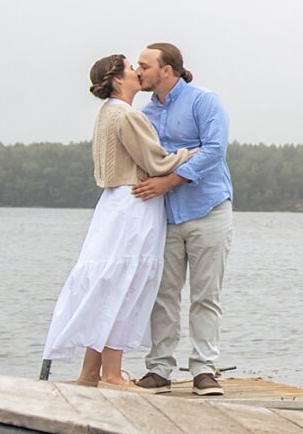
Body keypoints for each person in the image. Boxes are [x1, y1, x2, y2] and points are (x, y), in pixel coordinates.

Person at [42, 54, 192, 389]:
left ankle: (89, 374)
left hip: (112, 205)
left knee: (109, 282)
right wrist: (195, 154)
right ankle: (111, 374)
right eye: (130, 68)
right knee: (125, 283)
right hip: (134, 206)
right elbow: (157, 162)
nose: (138, 72)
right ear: (116, 80)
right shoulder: (127, 115)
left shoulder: (106, 113)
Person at [131, 42, 234, 394]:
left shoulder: (204, 100)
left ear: (167, 70)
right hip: (166, 217)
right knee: (164, 294)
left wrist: (169, 181)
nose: (138, 71)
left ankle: (204, 370)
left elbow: (215, 149)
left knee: (206, 294)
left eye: (144, 65)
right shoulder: (145, 114)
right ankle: (159, 369)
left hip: (209, 210)